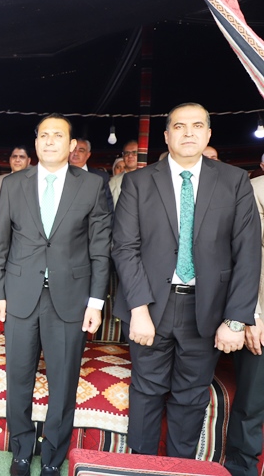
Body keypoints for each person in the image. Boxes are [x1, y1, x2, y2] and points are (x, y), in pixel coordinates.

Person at [112, 103, 260, 457]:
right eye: (180, 126)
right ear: (167, 136)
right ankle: (141, 467)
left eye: (197, 126)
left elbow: (247, 254)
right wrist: (139, 310)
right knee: (146, 391)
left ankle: (181, 469)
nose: (189, 132)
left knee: (191, 396)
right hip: (151, 306)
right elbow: (125, 248)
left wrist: (235, 320)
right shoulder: (138, 182)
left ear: (208, 134)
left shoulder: (234, 181)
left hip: (207, 309)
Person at [0, 115, 111, 476]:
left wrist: (96, 302)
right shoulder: (13, 184)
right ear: (36, 142)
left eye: (58, 135)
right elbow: (0, 244)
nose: (50, 141)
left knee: (63, 382)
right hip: (20, 296)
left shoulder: (91, 185)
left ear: (72, 145)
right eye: (44, 135)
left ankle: (53, 459)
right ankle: (21, 452)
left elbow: (100, 249)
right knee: (18, 379)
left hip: (70, 299)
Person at [224, 175, 264, 476]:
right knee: (252, 402)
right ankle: (242, 469)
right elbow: (245, 257)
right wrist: (252, 315)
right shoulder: (256, 189)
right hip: (260, 315)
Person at [0, 145, 33, 255]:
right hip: (2, 238)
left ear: (29, 161)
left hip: (28, 239)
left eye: (22, 157)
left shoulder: (36, 181)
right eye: (14, 156)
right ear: (10, 160)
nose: (17, 160)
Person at [68, 138, 113, 214]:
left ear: (88, 155)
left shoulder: (100, 177)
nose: (76, 153)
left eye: (81, 150)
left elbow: (107, 207)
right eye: (73, 150)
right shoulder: (59, 173)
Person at [109, 140, 138, 206]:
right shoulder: (113, 181)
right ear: (123, 156)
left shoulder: (150, 178)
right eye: (127, 153)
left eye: (134, 152)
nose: (130, 156)